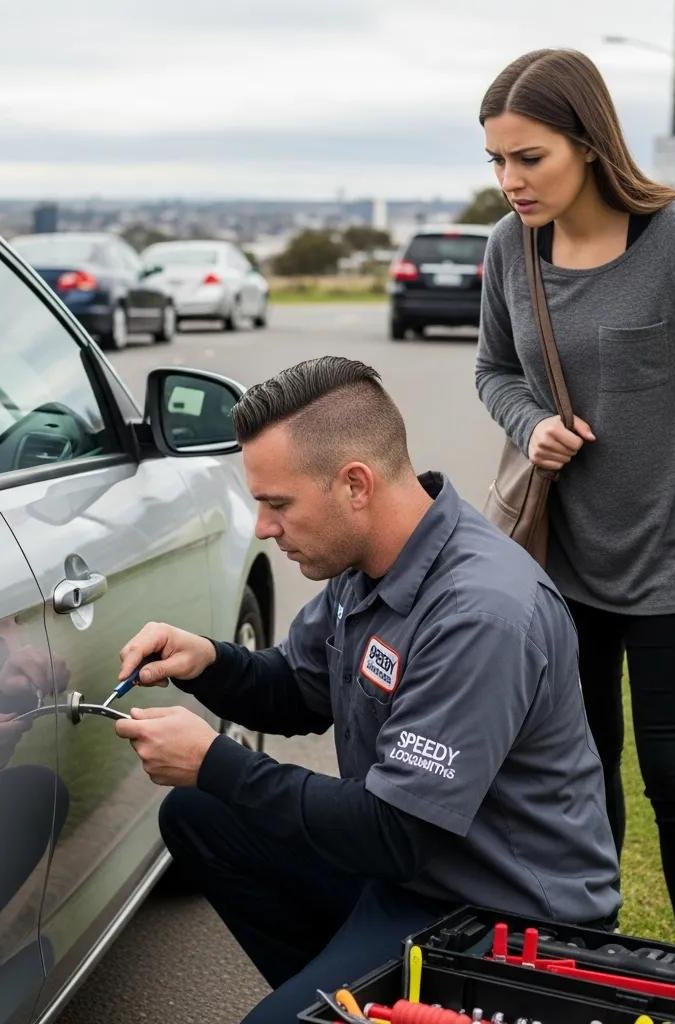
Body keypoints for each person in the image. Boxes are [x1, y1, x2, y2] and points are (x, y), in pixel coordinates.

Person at [114, 356, 619, 1023]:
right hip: (413, 879)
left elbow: (393, 833)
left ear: (355, 485)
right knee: (199, 815)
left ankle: (347, 1000)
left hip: (503, 921)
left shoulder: (481, 612)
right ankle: (344, 997)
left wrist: (215, 760)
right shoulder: (369, 565)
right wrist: (206, 662)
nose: (264, 528)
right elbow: (296, 689)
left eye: (278, 504)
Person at [473, 49, 675, 954]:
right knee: (580, 778)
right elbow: (493, 372)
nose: (510, 180)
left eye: (531, 158)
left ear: (590, 144)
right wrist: (532, 426)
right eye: (496, 160)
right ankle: (593, 962)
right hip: (559, 570)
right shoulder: (506, 248)